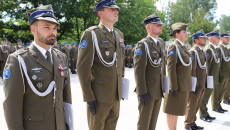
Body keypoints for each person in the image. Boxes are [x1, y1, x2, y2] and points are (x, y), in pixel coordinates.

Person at [3, 4, 73, 130]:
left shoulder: (61, 57)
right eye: (46, 27)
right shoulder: (18, 60)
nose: (52, 32)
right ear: (33, 29)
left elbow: (66, 99)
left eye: (54, 28)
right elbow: (12, 106)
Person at [77, 0, 125, 129]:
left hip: (115, 95)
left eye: (116, 10)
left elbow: (120, 63)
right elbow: (82, 68)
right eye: (111, 9)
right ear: (100, 13)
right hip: (99, 96)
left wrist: (121, 90)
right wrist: (88, 96)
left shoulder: (119, 34)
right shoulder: (92, 34)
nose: (116, 12)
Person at [134, 13, 164, 130]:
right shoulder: (143, 44)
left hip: (158, 88)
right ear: (148, 27)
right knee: (144, 122)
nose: (160, 27)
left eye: (160, 25)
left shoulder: (160, 42)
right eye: (157, 25)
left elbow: (162, 67)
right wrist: (142, 92)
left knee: (153, 121)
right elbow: (139, 70)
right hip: (147, 90)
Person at [163, 22, 192, 130]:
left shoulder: (182, 47)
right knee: (171, 110)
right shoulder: (174, 47)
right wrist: (173, 86)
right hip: (176, 85)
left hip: (183, 84)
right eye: (184, 32)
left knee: (176, 110)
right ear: (177, 34)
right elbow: (171, 68)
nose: (186, 34)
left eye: (186, 32)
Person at [184, 29, 207, 130]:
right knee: (192, 104)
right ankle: (188, 123)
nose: (205, 39)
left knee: (196, 104)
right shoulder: (193, 52)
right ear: (196, 40)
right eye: (202, 38)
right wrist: (195, 83)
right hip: (196, 83)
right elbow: (191, 69)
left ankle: (192, 122)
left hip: (202, 82)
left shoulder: (201, 51)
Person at [199, 30, 220, 122]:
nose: (219, 38)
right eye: (217, 37)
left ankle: (205, 112)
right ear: (211, 38)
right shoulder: (208, 49)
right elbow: (206, 65)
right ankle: (202, 114)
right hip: (209, 78)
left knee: (207, 97)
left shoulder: (214, 48)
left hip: (213, 77)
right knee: (204, 97)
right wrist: (206, 79)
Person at [215, 32, 230, 111]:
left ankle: (218, 105)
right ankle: (215, 106)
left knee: (222, 90)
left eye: (228, 37)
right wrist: (219, 73)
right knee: (218, 91)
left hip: (226, 73)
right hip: (221, 73)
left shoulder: (224, 48)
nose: (228, 39)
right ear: (221, 39)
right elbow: (218, 62)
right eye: (226, 37)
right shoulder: (219, 48)